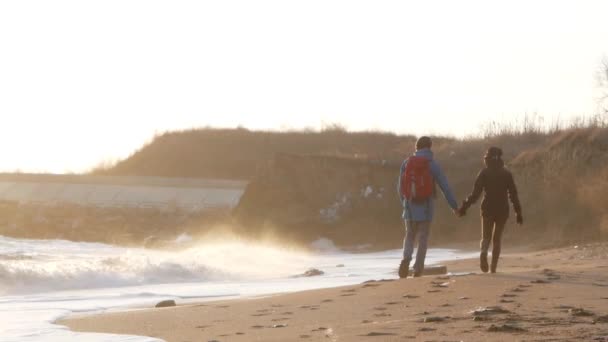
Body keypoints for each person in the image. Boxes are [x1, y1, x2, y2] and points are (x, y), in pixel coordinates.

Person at [397, 136, 459, 278]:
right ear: (430, 148)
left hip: (410, 208)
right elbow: (445, 187)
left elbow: (400, 187)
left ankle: (406, 259)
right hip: (426, 208)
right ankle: (418, 269)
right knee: (423, 239)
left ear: (416, 147)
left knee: (409, 236)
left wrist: (405, 204)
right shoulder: (432, 164)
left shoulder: (406, 163)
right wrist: (454, 206)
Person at [458, 147, 523, 273]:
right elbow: (513, 195)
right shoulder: (506, 174)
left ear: (487, 159)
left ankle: (483, 253)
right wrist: (518, 212)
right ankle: (493, 267)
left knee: (486, 236)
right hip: (502, 209)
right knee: (497, 239)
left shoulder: (484, 173)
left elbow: (475, 194)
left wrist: (464, 207)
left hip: (487, 208)